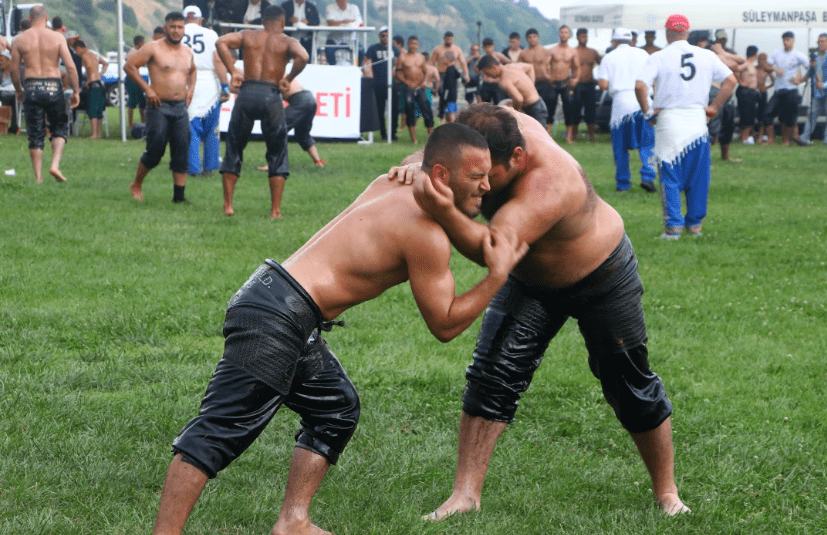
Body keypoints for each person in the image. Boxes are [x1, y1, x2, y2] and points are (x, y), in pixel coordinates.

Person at [149, 122, 528, 535]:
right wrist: (497, 277)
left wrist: (414, 165)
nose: (487, 186)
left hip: (278, 301)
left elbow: (420, 165)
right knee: (217, 433)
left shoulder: (390, 183)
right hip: (277, 316)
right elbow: (445, 324)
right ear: (440, 175)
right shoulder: (427, 234)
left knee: (334, 407)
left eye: (488, 175)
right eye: (477, 176)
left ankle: (293, 522)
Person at [391, 102, 690, 520]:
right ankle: (465, 495)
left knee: (629, 383)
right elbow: (447, 148)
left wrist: (441, 206)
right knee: (492, 373)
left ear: (517, 157)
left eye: (486, 176)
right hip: (532, 280)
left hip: (602, 275)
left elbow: (494, 253)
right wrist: (419, 163)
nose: (479, 185)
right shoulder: (496, 126)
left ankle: (667, 492)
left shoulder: (550, 182)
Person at [635, 14, 736, 239]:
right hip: (697, 120)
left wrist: (647, 111)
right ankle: (695, 226)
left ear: (667, 32)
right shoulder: (706, 55)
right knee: (698, 175)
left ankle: (673, 227)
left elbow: (641, 86)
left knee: (670, 174)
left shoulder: (659, 57)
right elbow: (730, 81)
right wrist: (714, 107)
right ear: (688, 33)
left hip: (669, 120)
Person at [216, 5, 309, 219]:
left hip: (247, 93)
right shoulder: (287, 41)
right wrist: (288, 79)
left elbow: (221, 42)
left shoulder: (248, 35)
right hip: (271, 94)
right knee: (277, 151)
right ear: (282, 22)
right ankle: (275, 211)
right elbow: (303, 57)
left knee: (234, 147)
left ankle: (228, 206)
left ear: (263, 20)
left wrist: (233, 71)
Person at [126, 12, 196, 203]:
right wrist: (148, 89)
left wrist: (191, 89)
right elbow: (130, 66)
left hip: (180, 107)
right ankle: (137, 184)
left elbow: (193, 70)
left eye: (180, 27)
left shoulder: (187, 51)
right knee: (156, 148)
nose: (176, 30)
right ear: (165, 27)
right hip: (158, 106)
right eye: (172, 26)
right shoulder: (153, 48)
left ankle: (179, 197)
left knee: (182, 149)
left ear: (184, 29)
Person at [9, 5, 80, 183]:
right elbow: (70, 66)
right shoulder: (57, 37)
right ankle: (55, 165)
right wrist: (77, 91)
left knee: (35, 133)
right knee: (59, 127)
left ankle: (38, 178)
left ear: (30, 18)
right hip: (53, 85)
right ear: (46, 17)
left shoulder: (19, 39)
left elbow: (14, 70)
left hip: (31, 86)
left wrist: (19, 90)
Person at [597, 28, 656, 193]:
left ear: (614, 42)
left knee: (620, 147)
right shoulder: (644, 54)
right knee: (648, 143)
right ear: (631, 41)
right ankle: (648, 177)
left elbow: (602, 85)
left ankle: (623, 183)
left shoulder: (609, 57)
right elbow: (652, 81)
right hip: (643, 102)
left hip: (621, 105)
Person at [182, 5, 229, 177]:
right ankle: (209, 166)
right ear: (201, 20)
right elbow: (217, 61)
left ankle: (193, 168)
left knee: (191, 127)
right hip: (209, 81)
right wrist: (225, 85)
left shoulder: (178, 33)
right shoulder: (210, 34)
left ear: (185, 19)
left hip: (185, 81)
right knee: (211, 128)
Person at [255, 79, 324, 169]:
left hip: (300, 100)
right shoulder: (280, 73)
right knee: (302, 134)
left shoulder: (273, 74)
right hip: (310, 99)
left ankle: (273, 163)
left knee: (277, 130)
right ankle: (318, 161)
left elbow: (272, 97)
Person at [762, 31, 808, 146]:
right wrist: (773, 68)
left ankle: (786, 141)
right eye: (784, 40)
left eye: (788, 39)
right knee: (768, 113)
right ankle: (770, 139)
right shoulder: (776, 53)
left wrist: (800, 80)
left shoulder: (798, 55)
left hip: (791, 90)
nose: (785, 42)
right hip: (778, 90)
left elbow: (811, 69)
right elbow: (766, 66)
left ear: (793, 41)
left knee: (788, 117)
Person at [476, 55, 546, 127]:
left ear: (493, 68)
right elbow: (530, 67)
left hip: (533, 108)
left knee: (540, 136)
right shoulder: (513, 66)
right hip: (539, 101)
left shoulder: (504, 81)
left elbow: (519, 99)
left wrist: (515, 111)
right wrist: (531, 86)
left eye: (487, 73)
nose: (489, 76)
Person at [798, 34, 827, 145]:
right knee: (812, 114)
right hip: (817, 92)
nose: (820, 44)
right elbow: (810, 72)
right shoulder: (816, 57)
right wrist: (802, 78)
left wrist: (825, 84)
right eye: (818, 42)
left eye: (822, 41)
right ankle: (804, 138)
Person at [394, 36, 434, 144]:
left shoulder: (421, 57)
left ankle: (430, 137)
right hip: (408, 87)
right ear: (408, 44)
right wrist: (406, 82)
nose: (413, 46)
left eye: (415, 43)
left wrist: (424, 82)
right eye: (411, 43)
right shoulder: (402, 57)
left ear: (418, 45)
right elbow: (397, 73)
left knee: (427, 110)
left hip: (420, 87)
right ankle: (414, 139)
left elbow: (426, 72)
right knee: (409, 110)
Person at [364, 26, 400, 141]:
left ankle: (393, 133)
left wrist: (395, 71)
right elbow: (365, 61)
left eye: (387, 35)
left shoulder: (394, 49)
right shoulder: (373, 48)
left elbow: (399, 61)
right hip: (378, 84)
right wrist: (369, 74)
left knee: (394, 109)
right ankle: (383, 133)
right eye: (383, 35)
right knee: (380, 110)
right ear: (379, 36)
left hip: (392, 83)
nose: (385, 38)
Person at [430, 31, 470, 123]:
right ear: (444, 39)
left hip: (452, 77)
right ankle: (442, 115)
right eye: (447, 39)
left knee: (451, 97)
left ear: (453, 39)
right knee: (442, 94)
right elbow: (432, 62)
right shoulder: (438, 49)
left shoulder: (457, 49)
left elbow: (463, 63)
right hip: (441, 75)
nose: (449, 40)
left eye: (451, 39)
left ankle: (450, 115)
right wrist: (432, 76)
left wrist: (466, 74)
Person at [548, 25, 580, 143]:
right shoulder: (552, 50)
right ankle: (547, 134)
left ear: (569, 35)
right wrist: (547, 76)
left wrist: (576, 79)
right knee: (550, 105)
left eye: (566, 32)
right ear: (559, 34)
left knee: (569, 107)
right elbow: (544, 65)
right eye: (562, 32)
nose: (563, 34)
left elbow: (577, 67)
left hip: (566, 81)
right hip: (553, 82)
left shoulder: (572, 51)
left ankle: (568, 137)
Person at [72, 40, 109, 139]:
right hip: (100, 84)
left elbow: (88, 66)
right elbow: (105, 63)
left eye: (75, 50)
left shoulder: (84, 56)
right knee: (99, 110)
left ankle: (94, 134)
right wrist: (100, 74)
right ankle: (98, 133)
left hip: (93, 84)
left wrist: (88, 80)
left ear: (79, 48)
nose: (76, 53)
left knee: (92, 109)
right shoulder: (94, 54)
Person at [519, 28, 553, 132]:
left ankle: (547, 130)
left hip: (544, 82)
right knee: (531, 106)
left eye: (534, 36)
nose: (532, 39)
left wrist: (550, 77)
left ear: (537, 37)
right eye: (529, 37)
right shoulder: (523, 53)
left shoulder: (545, 51)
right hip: (530, 84)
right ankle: (532, 129)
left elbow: (551, 66)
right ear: (526, 39)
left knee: (547, 105)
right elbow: (519, 68)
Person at [573, 28, 601, 142]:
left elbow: (603, 64)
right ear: (577, 37)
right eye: (582, 36)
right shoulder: (573, 51)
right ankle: (574, 135)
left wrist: (599, 79)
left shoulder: (592, 52)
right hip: (577, 84)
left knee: (591, 110)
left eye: (586, 36)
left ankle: (591, 136)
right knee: (575, 110)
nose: (584, 38)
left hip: (590, 84)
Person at [736, 46, 762, 145]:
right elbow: (735, 71)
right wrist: (741, 82)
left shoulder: (751, 65)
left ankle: (747, 137)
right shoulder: (745, 64)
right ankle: (744, 139)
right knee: (746, 116)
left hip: (751, 92)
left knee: (751, 116)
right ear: (755, 54)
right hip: (745, 92)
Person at [324, 0, 363, 66]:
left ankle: (358, 69)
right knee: (329, 51)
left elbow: (360, 24)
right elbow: (330, 23)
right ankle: (334, 70)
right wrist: (345, 22)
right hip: (334, 40)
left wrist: (340, 23)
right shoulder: (330, 7)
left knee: (361, 51)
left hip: (350, 40)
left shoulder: (354, 8)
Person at [125, 35, 148, 130]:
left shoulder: (137, 52)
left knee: (141, 101)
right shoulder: (133, 52)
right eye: (143, 42)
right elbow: (127, 59)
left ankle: (144, 122)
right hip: (132, 80)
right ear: (139, 43)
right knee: (132, 101)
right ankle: (130, 123)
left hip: (136, 78)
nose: (144, 44)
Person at [477, 37, 509, 104]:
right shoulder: (482, 58)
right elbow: (476, 67)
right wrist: (483, 73)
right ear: (483, 48)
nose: (488, 49)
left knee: (499, 103)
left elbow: (510, 63)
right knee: (485, 103)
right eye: (486, 47)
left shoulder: (498, 55)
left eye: (490, 47)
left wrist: (502, 71)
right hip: (486, 83)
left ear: (493, 46)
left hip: (496, 83)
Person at [754, 52, 774, 142]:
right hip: (754, 92)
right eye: (759, 59)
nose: (760, 61)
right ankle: (752, 134)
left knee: (762, 114)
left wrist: (766, 87)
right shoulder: (754, 68)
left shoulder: (767, 70)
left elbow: (773, 80)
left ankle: (760, 136)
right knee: (753, 113)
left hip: (762, 92)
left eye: (763, 59)